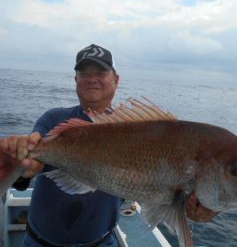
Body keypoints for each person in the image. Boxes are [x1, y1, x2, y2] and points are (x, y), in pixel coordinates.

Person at [1, 44, 218, 247]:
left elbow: (162, 196)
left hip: (102, 241)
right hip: (40, 241)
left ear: (116, 80)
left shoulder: (140, 130)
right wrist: (20, 162)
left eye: (101, 73)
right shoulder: (53, 119)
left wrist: (194, 210)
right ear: (75, 80)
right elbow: (32, 165)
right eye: (84, 73)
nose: (92, 79)